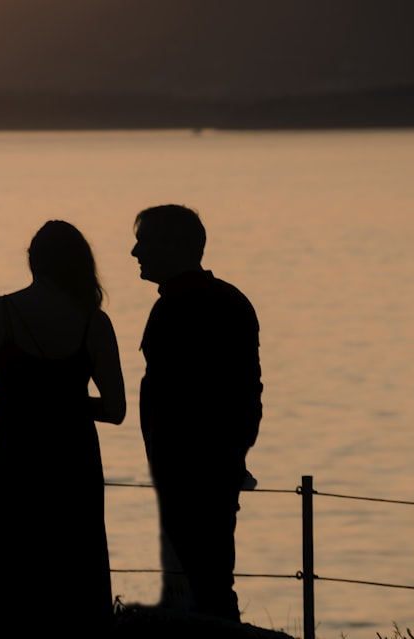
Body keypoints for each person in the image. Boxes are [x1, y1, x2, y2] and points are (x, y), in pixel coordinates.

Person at [0, 220, 126, 629]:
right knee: (77, 561)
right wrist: (64, 403)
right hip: (74, 455)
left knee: (18, 559)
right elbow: (115, 409)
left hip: (15, 452)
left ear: (32, 261)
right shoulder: (96, 323)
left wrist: (25, 401)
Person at [130, 204, 263, 622]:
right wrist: (234, 454)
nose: (135, 252)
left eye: (144, 241)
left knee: (199, 582)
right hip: (211, 465)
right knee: (208, 578)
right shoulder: (230, 300)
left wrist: (193, 462)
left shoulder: (179, 307)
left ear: (174, 246)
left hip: (188, 469)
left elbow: (183, 397)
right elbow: (249, 393)